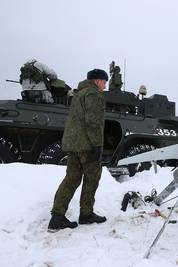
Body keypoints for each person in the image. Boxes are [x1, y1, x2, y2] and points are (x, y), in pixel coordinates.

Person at [48, 69, 108, 232]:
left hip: (73, 144)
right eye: (104, 82)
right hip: (87, 145)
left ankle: (57, 217)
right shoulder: (93, 94)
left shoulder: (78, 93)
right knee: (92, 178)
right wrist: (97, 145)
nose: (105, 85)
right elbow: (93, 122)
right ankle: (86, 214)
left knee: (72, 178)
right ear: (97, 81)